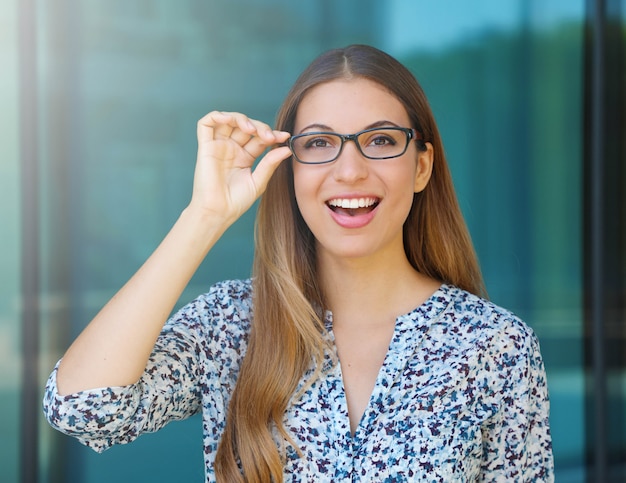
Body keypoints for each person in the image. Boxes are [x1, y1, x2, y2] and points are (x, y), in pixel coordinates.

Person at [43, 44, 554, 482]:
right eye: (319, 144)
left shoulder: (494, 346)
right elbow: (84, 410)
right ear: (289, 171)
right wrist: (204, 216)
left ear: (420, 166)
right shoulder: (231, 324)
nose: (349, 171)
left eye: (379, 141)